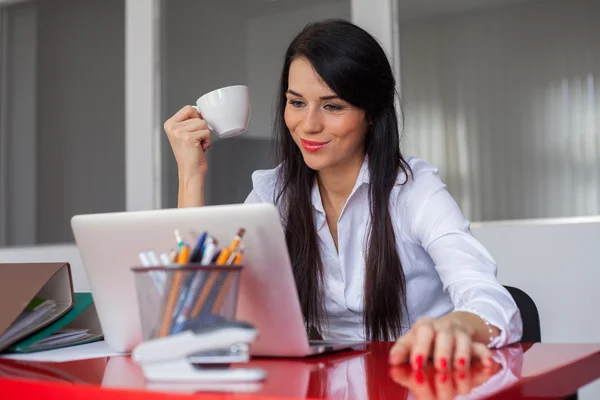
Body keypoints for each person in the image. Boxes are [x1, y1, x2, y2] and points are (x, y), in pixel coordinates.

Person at [163, 18, 523, 371]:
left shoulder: (414, 190)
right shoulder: (275, 194)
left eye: (332, 106)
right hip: (329, 382)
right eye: (297, 102)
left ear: (371, 114)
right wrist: (190, 174)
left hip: (425, 377)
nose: (309, 125)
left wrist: (458, 325)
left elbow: (489, 299)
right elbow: (198, 308)